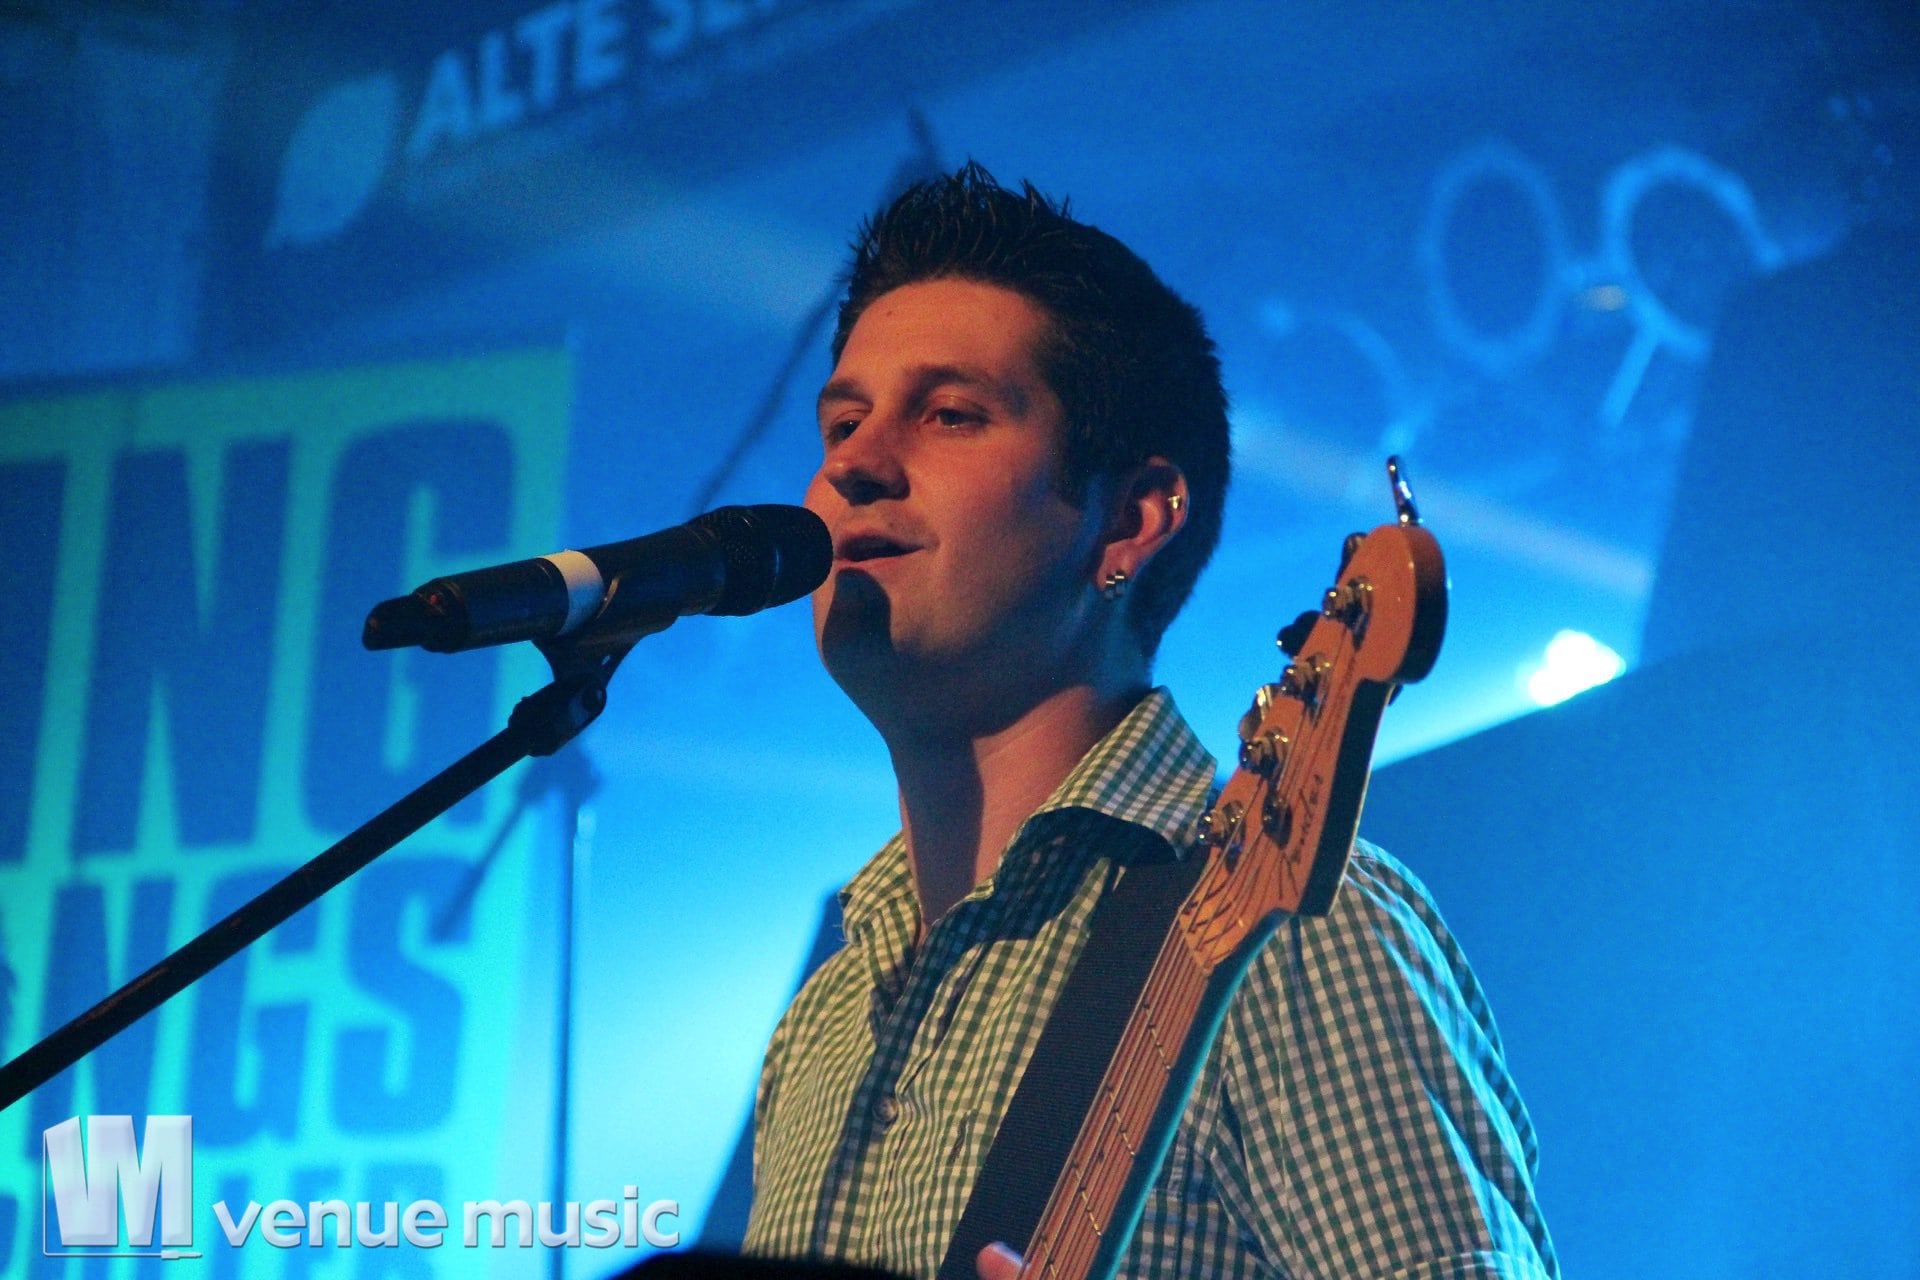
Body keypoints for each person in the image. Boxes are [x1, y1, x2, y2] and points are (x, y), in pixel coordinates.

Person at [739, 164, 1557, 1280]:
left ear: (1127, 521)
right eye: (843, 420)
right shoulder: (824, 1023)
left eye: (950, 414)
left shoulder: (1285, 925)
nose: (855, 463)